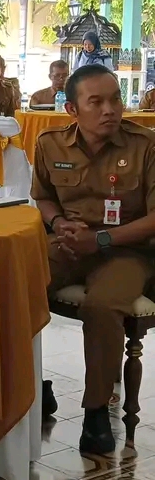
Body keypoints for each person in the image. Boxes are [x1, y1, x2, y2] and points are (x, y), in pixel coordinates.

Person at [31, 64, 155, 455]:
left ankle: (96, 411)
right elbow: (43, 196)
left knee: (102, 306)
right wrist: (58, 223)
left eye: (115, 99)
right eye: (96, 102)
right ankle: (29, 390)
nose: (110, 110)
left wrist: (100, 239)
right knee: (14, 282)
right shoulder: (50, 143)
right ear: (72, 109)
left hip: (126, 250)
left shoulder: (145, 145)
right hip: (68, 242)